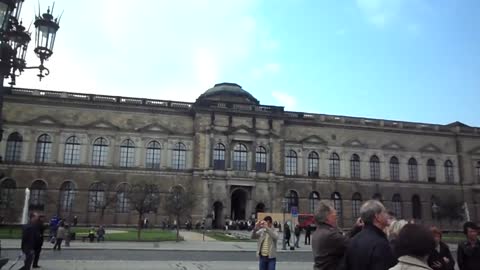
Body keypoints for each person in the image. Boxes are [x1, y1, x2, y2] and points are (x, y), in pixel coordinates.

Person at [344, 200, 396, 270]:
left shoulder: (353, 240)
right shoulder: (380, 243)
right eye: (384, 212)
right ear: (377, 217)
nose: (387, 215)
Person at [312, 200, 348, 270]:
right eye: (334, 212)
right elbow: (351, 243)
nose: (336, 214)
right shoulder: (330, 235)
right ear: (328, 217)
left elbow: (342, 239)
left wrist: (355, 228)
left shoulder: (318, 231)